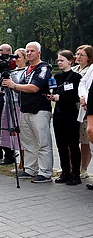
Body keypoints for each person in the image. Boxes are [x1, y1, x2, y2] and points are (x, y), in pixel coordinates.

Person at [3, 41, 53, 183]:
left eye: (32, 51)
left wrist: (15, 85)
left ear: (39, 53)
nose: (29, 53)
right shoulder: (26, 70)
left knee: (43, 142)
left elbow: (34, 87)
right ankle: (30, 169)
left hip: (39, 110)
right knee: (28, 141)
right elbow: (21, 87)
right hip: (25, 109)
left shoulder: (43, 68)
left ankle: (45, 172)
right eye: (27, 51)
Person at [49, 50, 81, 185]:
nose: (59, 63)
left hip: (71, 113)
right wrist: (52, 96)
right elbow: (55, 92)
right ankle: (65, 171)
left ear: (70, 61)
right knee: (61, 144)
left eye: (62, 60)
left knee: (72, 144)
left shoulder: (76, 77)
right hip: (59, 113)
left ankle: (76, 173)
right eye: (58, 60)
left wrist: (61, 97)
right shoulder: (57, 77)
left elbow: (77, 97)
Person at [0, 48, 27, 171]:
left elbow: (21, 86)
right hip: (8, 103)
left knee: (20, 133)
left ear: (25, 59)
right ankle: (16, 158)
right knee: (9, 131)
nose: (14, 60)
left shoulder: (25, 71)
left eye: (18, 57)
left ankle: (24, 162)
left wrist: (11, 82)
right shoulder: (12, 71)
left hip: (18, 104)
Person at [74, 45, 93, 179]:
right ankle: (73, 166)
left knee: (86, 139)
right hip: (74, 108)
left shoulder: (90, 69)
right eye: (77, 54)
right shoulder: (74, 69)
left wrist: (84, 98)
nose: (78, 57)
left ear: (89, 58)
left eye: (82, 55)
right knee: (74, 139)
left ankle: (84, 168)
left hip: (86, 108)